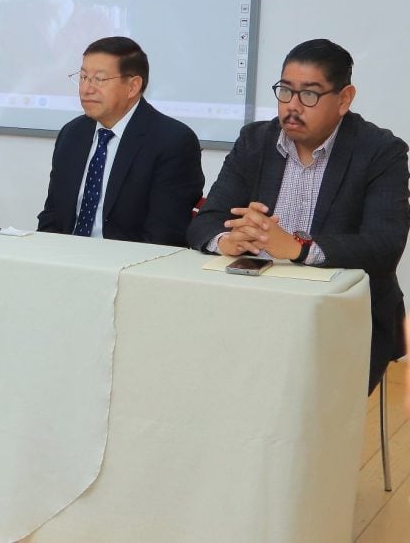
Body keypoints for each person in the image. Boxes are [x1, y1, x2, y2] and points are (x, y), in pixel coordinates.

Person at [187, 39, 409, 394]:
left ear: (344, 98)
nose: (292, 107)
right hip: (253, 309)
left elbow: (384, 245)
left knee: (300, 407)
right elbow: (206, 219)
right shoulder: (255, 142)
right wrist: (227, 240)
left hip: (345, 320)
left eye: (309, 95)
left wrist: (299, 249)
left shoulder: (381, 152)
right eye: (285, 91)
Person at [37, 36, 203, 246]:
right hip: (66, 261)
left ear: (133, 86)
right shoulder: (73, 134)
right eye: (83, 77)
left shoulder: (172, 142)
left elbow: (164, 236)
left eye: (99, 79)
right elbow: (52, 216)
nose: (86, 89)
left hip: (128, 267)